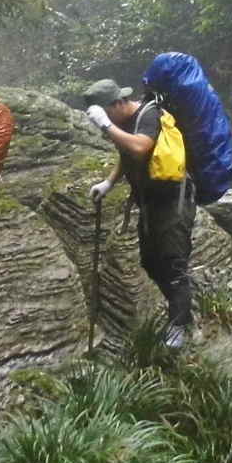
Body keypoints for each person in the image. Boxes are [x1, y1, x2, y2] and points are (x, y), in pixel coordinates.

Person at [84, 78, 194, 349]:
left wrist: (106, 125)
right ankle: (179, 305)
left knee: (173, 262)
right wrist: (109, 182)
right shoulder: (123, 122)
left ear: (119, 103)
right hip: (149, 202)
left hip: (173, 199)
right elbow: (127, 153)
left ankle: (181, 324)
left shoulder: (149, 114)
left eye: (108, 113)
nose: (108, 121)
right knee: (150, 262)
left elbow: (140, 147)